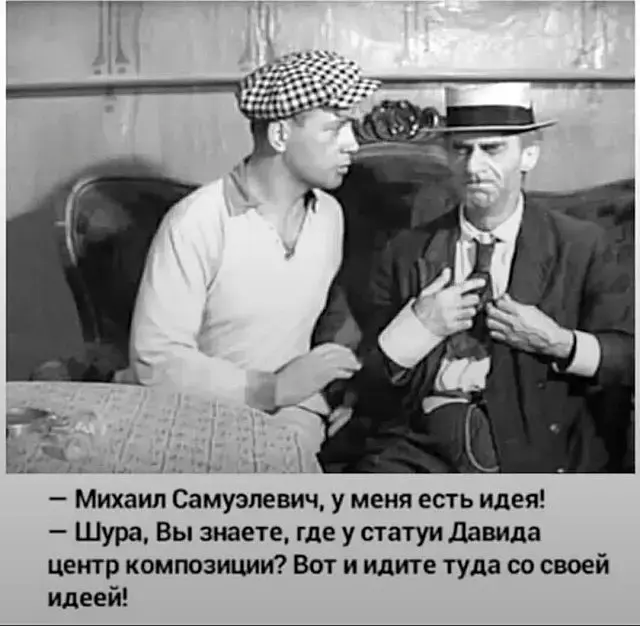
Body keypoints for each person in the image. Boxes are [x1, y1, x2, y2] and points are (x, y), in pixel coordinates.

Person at [344, 82, 634, 474]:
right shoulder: (406, 251)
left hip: (530, 446)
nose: (473, 167)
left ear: (528, 155)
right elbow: (367, 384)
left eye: (492, 149)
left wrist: (559, 342)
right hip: (417, 444)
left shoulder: (583, 246)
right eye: (462, 150)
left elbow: (626, 357)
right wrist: (418, 328)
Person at [127, 49, 380, 456]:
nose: (352, 145)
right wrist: (271, 388)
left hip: (294, 412)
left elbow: (331, 320)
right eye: (334, 129)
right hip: (198, 413)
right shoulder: (196, 222)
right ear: (280, 136)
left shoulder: (329, 215)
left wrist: (345, 388)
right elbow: (155, 362)